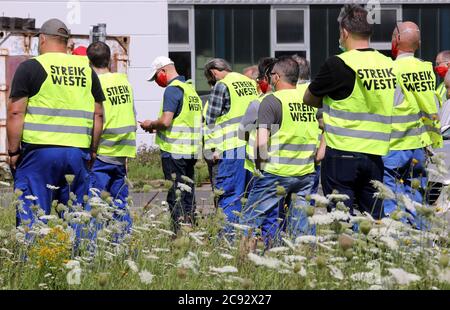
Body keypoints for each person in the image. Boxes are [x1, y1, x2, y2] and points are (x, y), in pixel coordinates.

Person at [7, 18, 104, 227]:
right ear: (66, 42)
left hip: (39, 154)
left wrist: (13, 152)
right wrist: (93, 150)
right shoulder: (86, 70)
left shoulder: (31, 68)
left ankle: (30, 258)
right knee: (77, 215)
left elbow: (16, 112)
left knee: (32, 216)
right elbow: (98, 114)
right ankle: (80, 257)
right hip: (77, 153)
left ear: (42, 40)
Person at [303, 4, 396, 219]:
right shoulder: (387, 64)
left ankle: (344, 251)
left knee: (340, 218)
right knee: (373, 219)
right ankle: (373, 253)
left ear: (344, 31)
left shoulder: (338, 63)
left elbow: (308, 98)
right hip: (375, 154)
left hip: (342, 152)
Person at [241, 56, 320, 245]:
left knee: (249, 222)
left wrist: (259, 167)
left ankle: (242, 263)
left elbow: (261, 141)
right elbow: (326, 127)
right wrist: (319, 156)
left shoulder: (271, 100)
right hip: (305, 174)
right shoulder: (309, 100)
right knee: (302, 229)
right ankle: (304, 266)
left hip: (275, 172)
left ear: (276, 77)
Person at [383, 22, 443, 229]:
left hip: (395, 144)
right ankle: (421, 241)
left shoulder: (391, 69)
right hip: (419, 145)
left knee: (389, 195)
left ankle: (396, 238)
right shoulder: (425, 69)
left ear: (396, 40)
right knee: (417, 195)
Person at [140, 56, 202, 234]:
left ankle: (179, 234)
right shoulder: (190, 90)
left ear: (163, 71)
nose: (156, 81)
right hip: (191, 151)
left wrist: (150, 124)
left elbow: (166, 121)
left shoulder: (172, 90)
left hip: (174, 151)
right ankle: (191, 229)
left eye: (156, 77)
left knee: (176, 195)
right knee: (188, 193)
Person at [86, 41, 136, 238]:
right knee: (120, 204)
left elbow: (95, 118)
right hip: (122, 150)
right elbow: (131, 113)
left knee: (94, 204)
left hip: (102, 151)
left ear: (89, 61)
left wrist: (91, 149)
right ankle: (122, 244)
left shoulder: (94, 84)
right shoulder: (124, 81)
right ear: (110, 60)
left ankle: (91, 246)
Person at [203, 58, 258, 236]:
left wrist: (210, 149)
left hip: (230, 148)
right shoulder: (250, 83)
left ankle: (227, 241)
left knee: (229, 198)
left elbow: (211, 121)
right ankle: (247, 239)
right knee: (249, 199)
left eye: (210, 79)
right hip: (251, 148)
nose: (212, 83)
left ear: (213, 72)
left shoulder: (222, 85)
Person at [239, 57, 276, 179]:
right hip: (286, 167)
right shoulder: (292, 100)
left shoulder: (257, 103)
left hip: (260, 168)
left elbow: (242, 132)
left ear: (265, 79)